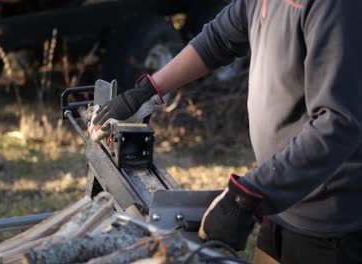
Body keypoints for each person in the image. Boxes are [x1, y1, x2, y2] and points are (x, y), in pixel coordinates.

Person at [90, 0, 362, 263]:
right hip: (282, 202)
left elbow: (338, 123)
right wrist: (146, 92)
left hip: (332, 225)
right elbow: (219, 39)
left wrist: (249, 195)